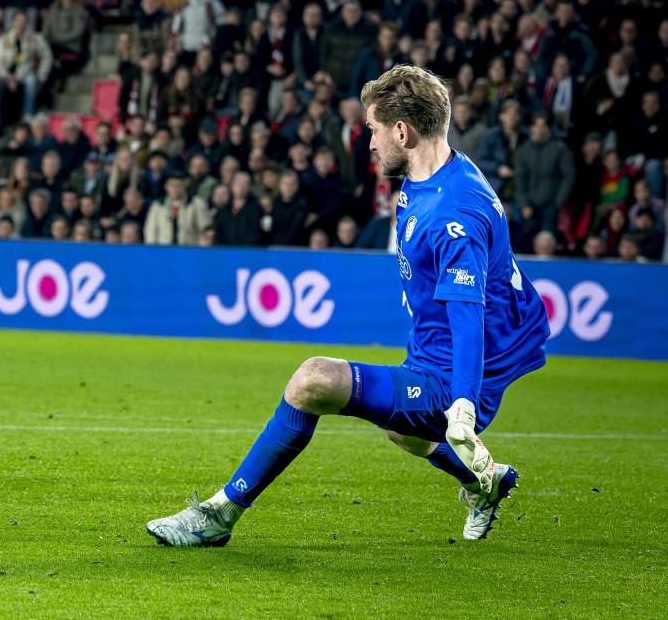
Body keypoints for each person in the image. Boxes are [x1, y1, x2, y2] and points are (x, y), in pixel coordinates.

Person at [145, 65, 548, 546]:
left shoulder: (453, 213)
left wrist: (461, 405)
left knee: (313, 380)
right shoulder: (441, 174)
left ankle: (217, 516)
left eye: (375, 130)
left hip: (457, 373)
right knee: (407, 434)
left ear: (403, 131)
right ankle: (486, 481)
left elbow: (466, 315)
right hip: (440, 351)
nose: (371, 143)